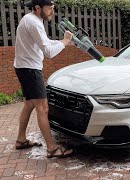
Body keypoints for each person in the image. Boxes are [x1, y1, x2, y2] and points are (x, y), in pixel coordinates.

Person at [13, 0, 73, 158]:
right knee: (43, 107)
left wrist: (60, 42)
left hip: (24, 67)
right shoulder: (34, 23)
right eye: (49, 8)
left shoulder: (30, 19)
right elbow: (48, 52)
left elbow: (44, 43)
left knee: (29, 104)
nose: (52, 12)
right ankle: (52, 148)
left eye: (53, 8)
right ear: (37, 7)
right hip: (30, 69)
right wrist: (65, 41)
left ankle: (21, 140)